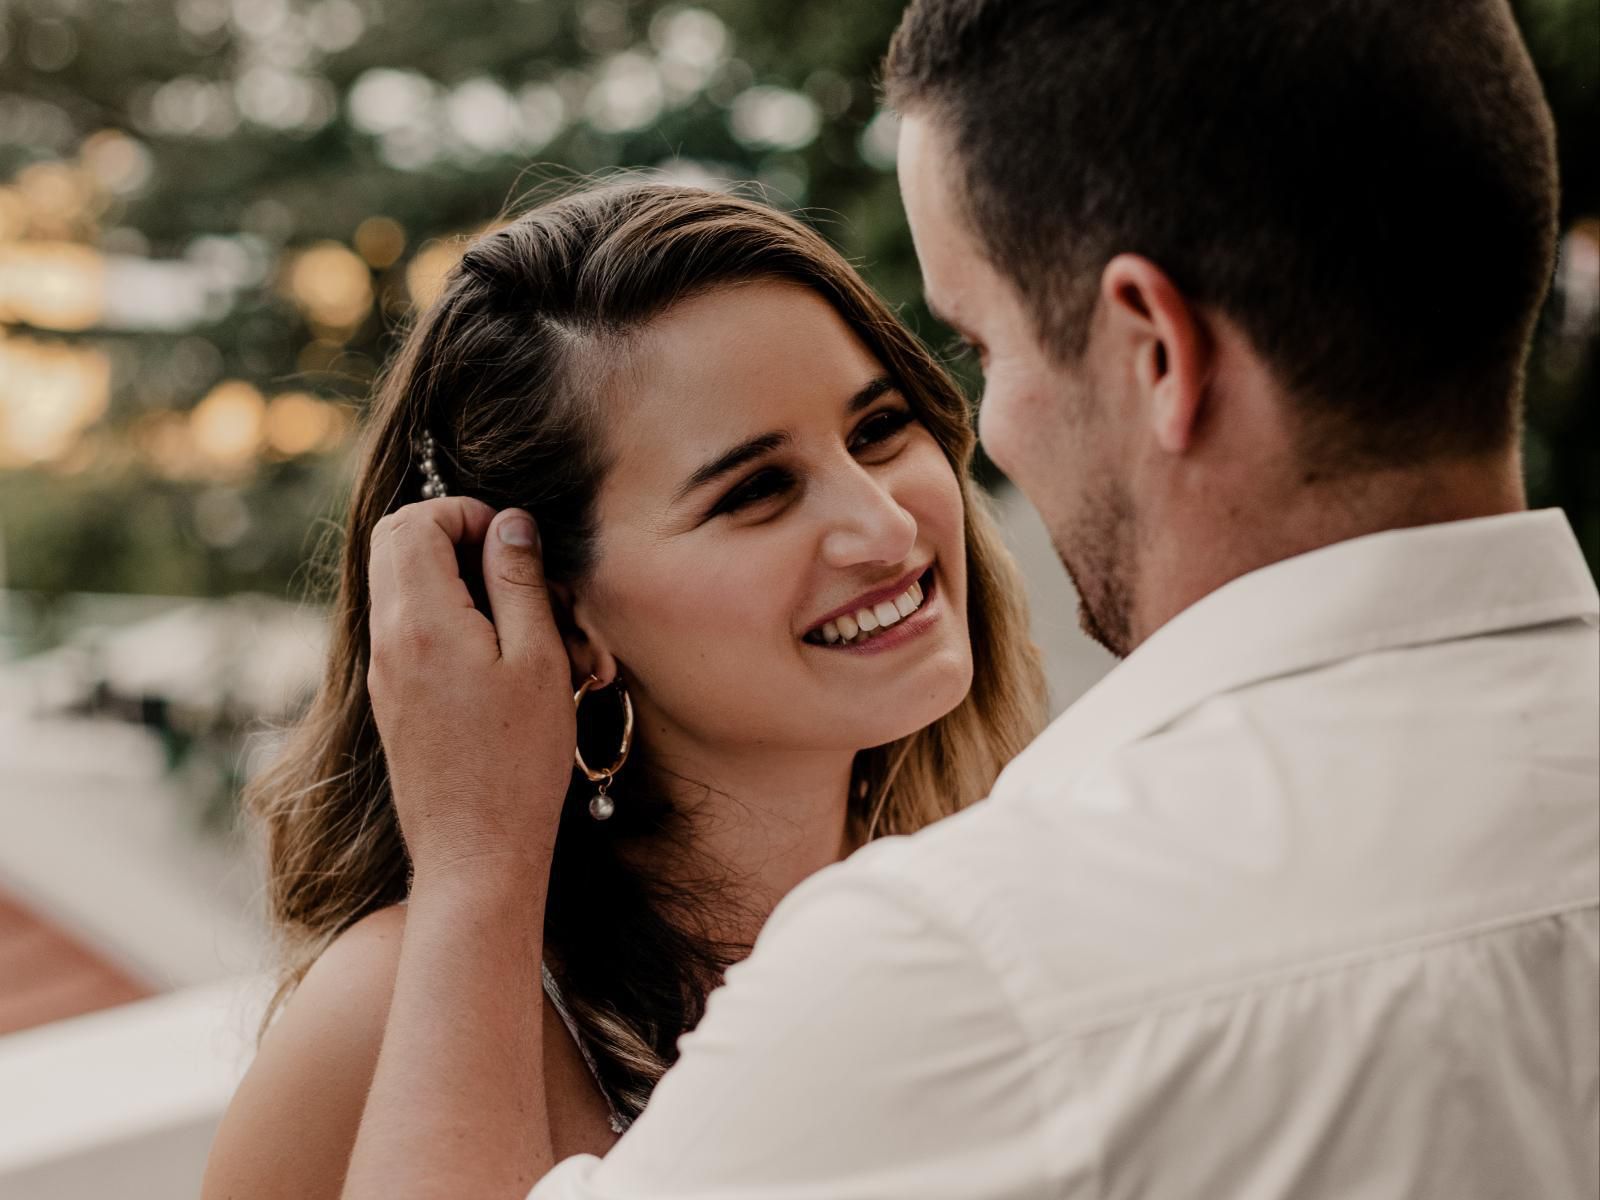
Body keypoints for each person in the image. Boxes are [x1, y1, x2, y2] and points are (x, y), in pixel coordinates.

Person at [345, 1, 1599, 1197]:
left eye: (982, 351)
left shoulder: (968, 968)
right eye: (752, 491)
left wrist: (476, 866)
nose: (899, 513)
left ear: (1155, 352)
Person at [200, 183, 1048, 1200]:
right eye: (755, 492)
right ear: (553, 614)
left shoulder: (1008, 881)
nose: (886, 527)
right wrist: (477, 869)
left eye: (876, 430)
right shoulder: (386, 1012)